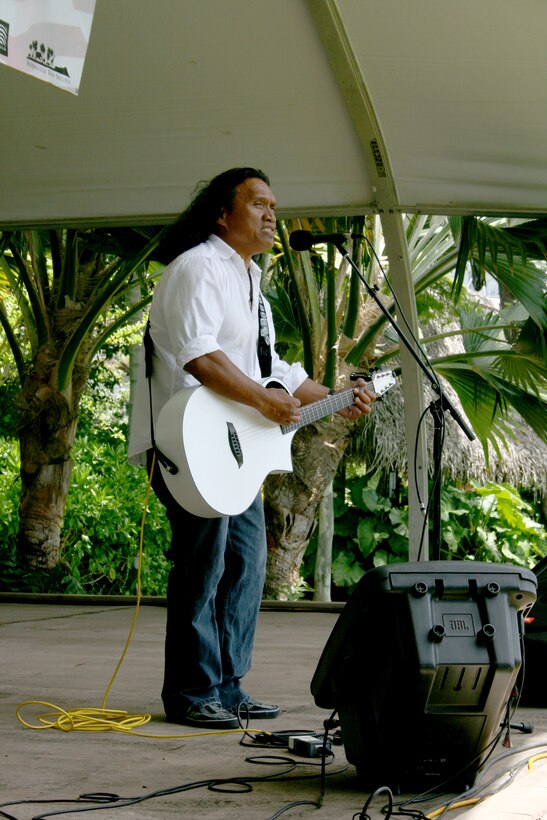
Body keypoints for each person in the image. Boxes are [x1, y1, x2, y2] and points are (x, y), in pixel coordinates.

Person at [128, 167, 375, 729]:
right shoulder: (198, 267)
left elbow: (275, 370)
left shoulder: (251, 278)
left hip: (231, 450)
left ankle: (227, 685)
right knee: (204, 566)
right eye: (258, 203)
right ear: (222, 213)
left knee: (246, 562)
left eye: (274, 206)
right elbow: (200, 357)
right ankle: (191, 692)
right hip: (189, 446)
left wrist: (337, 397)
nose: (271, 215)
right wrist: (265, 404)